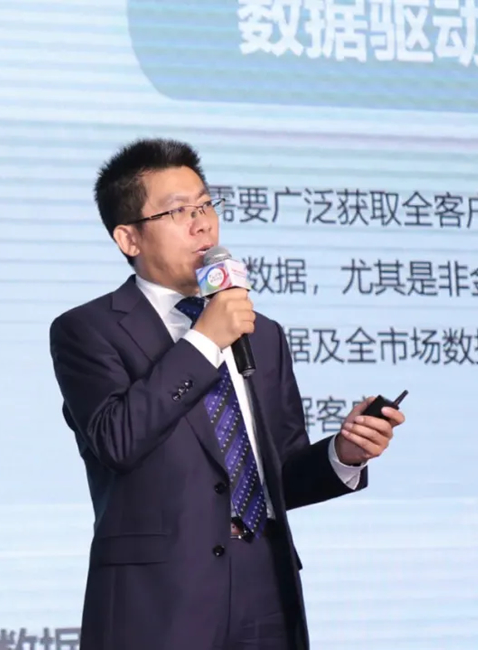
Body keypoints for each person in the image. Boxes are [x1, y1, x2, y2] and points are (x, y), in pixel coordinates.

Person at [48, 139, 408, 650]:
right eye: (178, 211)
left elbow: (278, 475)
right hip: (158, 599)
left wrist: (343, 453)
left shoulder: (262, 332)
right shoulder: (89, 329)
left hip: (266, 585)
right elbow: (117, 440)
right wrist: (204, 341)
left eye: (205, 205)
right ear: (129, 238)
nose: (202, 224)